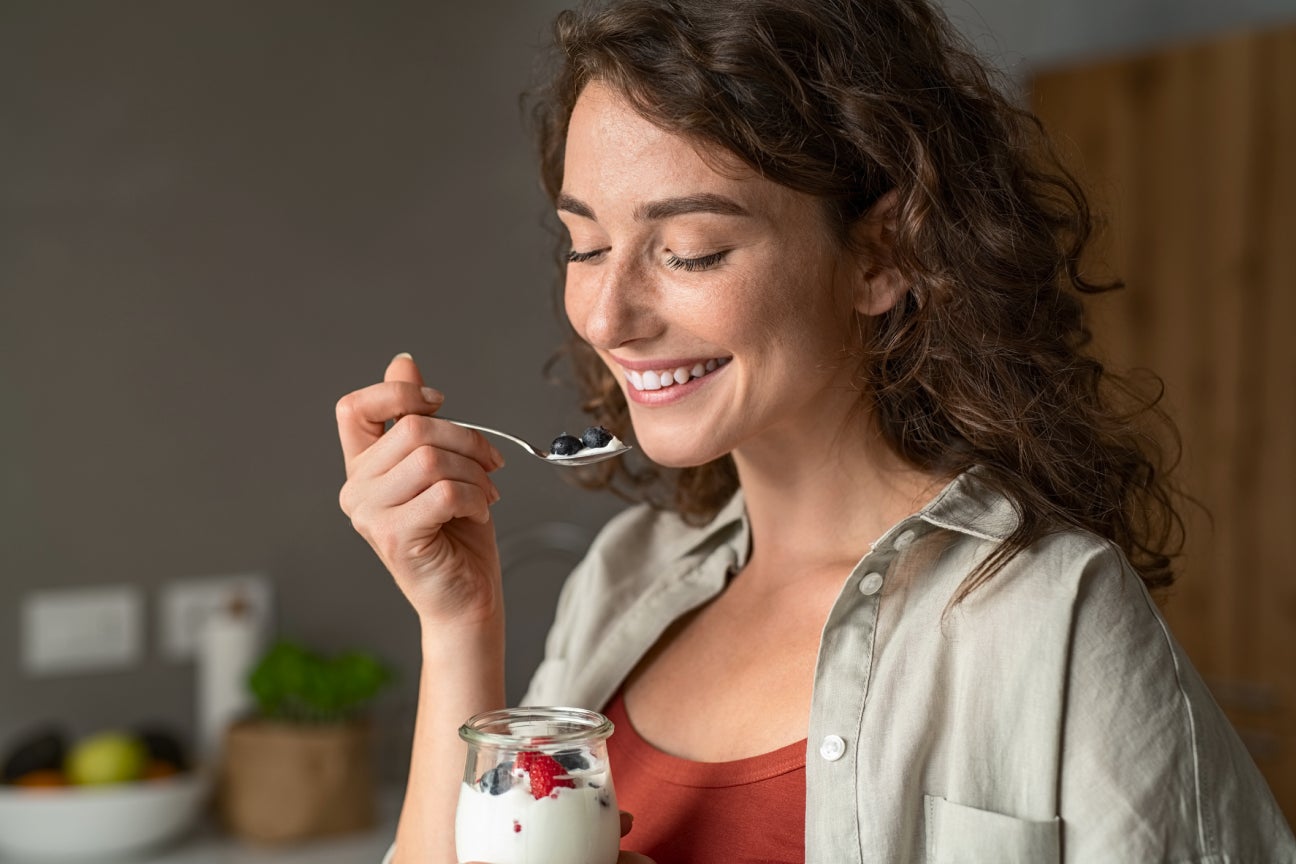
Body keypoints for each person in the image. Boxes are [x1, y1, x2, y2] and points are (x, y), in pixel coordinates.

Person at [336, 0, 1296, 861]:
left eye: (690, 252)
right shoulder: (623, 579)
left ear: (884, 254)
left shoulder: (1054, 619)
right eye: (586, 244)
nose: (606, 315)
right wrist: (459, 623)